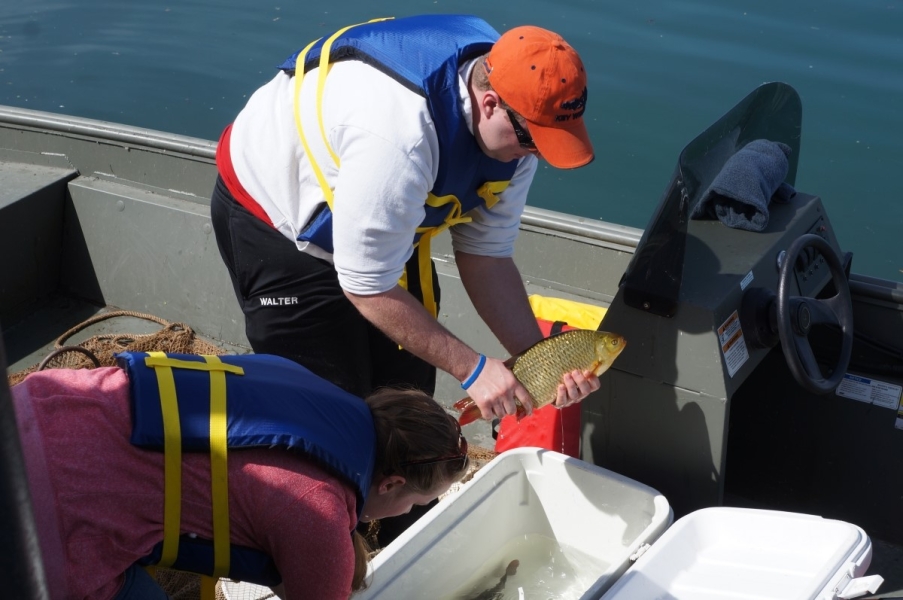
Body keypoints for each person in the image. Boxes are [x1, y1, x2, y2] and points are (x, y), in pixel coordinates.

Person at [209, 14, 602, 424]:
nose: (535, 155)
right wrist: (473, 368)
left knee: (409, 402)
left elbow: (487, 256)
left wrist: (541, 362)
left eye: (548, 142)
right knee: (329, 415)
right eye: (532, 140)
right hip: (276, 220)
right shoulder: (401, 136)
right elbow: (366, 284)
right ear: (491, 103)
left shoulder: (517, 126)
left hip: (381, 211)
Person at [11, 352, 469, 599]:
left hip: (33, 411)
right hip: (48, 523)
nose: (404, 512)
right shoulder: (321, 515)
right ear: (390, 483)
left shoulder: (297, 378)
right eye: (413, 504)